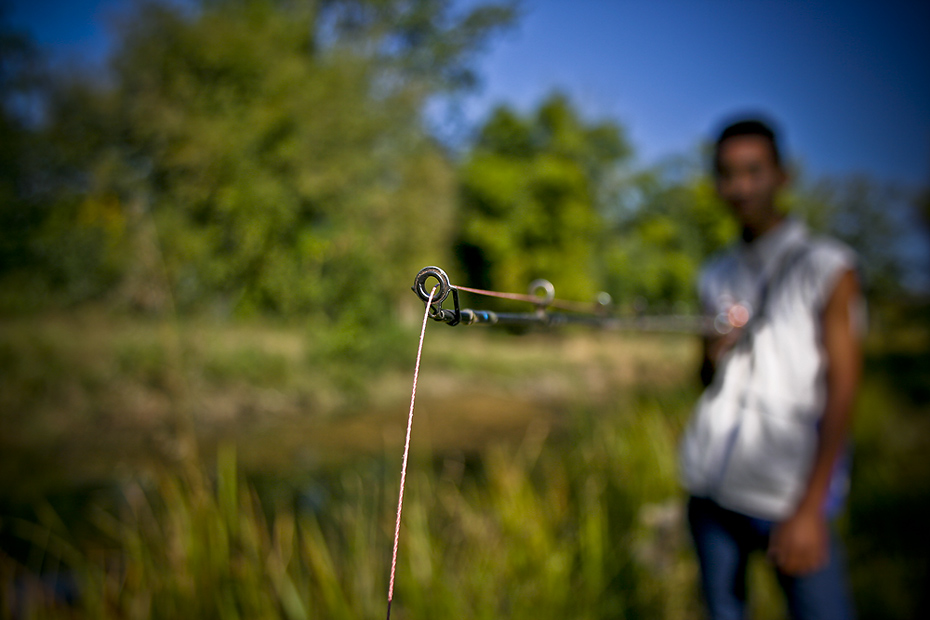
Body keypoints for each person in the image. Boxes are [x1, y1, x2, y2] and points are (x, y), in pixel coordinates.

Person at [679, 117, 864, 620]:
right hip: (711, 488)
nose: (739, 187)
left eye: (753, 171)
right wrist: (713, 352)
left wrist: (811, 508)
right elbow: (702, 380)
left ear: (782, 175)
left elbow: (843, 390)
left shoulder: (827, 266)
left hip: (789, 496)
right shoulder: (714, 273)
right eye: (727, 173)